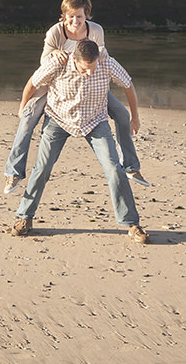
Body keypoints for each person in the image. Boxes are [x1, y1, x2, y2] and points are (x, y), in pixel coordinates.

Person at [3, 0, 145, 192]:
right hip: (56, 85)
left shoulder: (95, 30)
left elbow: (100, 58)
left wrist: (135, 119)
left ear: (86, 14)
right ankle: (14, 173)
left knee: (122, 114)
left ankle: (131, 167)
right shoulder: (56, 32)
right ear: (63, 16)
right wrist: (54, 53)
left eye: (79, 16)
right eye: (70, 17)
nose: (75, 21)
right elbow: (43, 65)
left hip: (89, 85)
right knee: (27, 119)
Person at [10, 39, 148, 243]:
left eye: (93, 68)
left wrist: (134, 117)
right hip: (59, 120)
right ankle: (24, 218)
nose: (90, 73)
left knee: (113, 168)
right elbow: (32, 82)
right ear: (74, 59)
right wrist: (23, 109)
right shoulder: (58, 63)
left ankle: (131, 223)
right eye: (85, 69)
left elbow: (128, 85)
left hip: (95, 120)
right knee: (42, 168)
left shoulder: (106, 63)